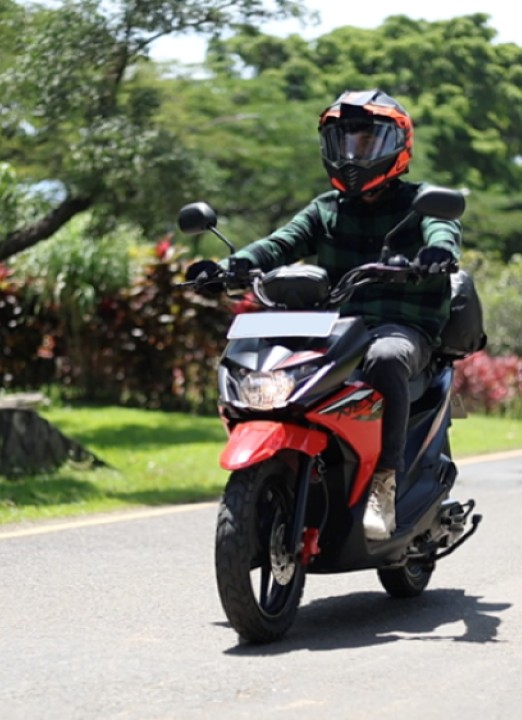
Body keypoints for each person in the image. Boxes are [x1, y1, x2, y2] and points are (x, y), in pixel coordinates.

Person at [186, 89, 462, 541]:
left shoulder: (420, 202)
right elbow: (280, 243)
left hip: (400, 325)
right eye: (344, 144)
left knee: (387, 358)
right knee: (273, 361)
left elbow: (442, 227)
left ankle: (384, 483)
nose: (353, 156)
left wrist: (438, 252)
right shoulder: (326, 209)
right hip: (336, 326)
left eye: (366, 144)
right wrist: (229, 267)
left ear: (397, 146)